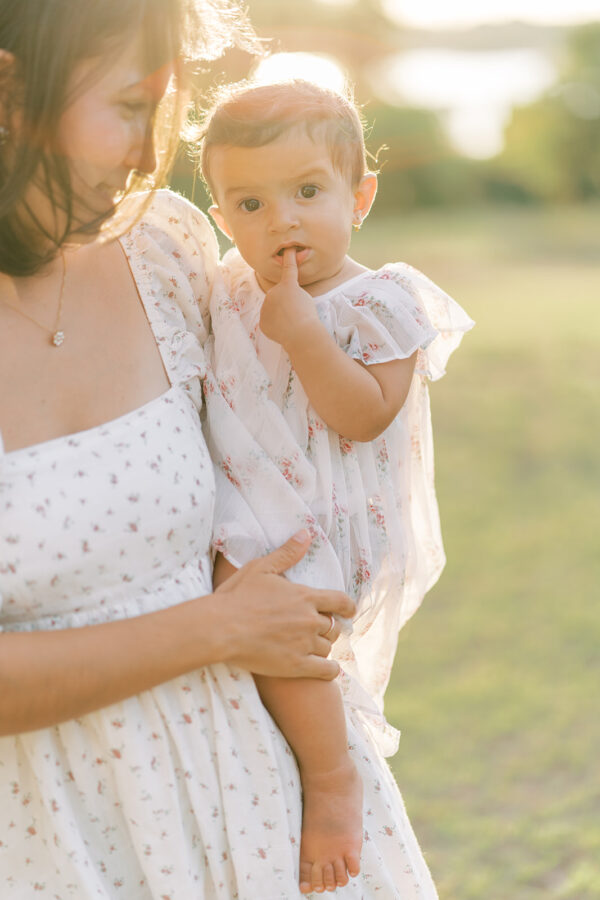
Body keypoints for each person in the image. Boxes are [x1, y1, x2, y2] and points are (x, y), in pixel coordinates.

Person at [0, 3, 359, 897]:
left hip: (249, 789)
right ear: (7, 92)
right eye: (129, 106)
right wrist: (216, 628)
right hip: (49, 836)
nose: (145, 150)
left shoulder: (166, 245)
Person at [199, 80, 474, 895]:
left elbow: (367, 414)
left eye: (307, 192)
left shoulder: (384, 298)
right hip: (258, 499)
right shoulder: (229, 291)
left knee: (287, 616)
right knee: (236, 584)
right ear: (220, 218)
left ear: (360, 197)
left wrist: (307, 335)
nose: (281, 220)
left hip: (331, 518)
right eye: (249, 203)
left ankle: (332, 778)